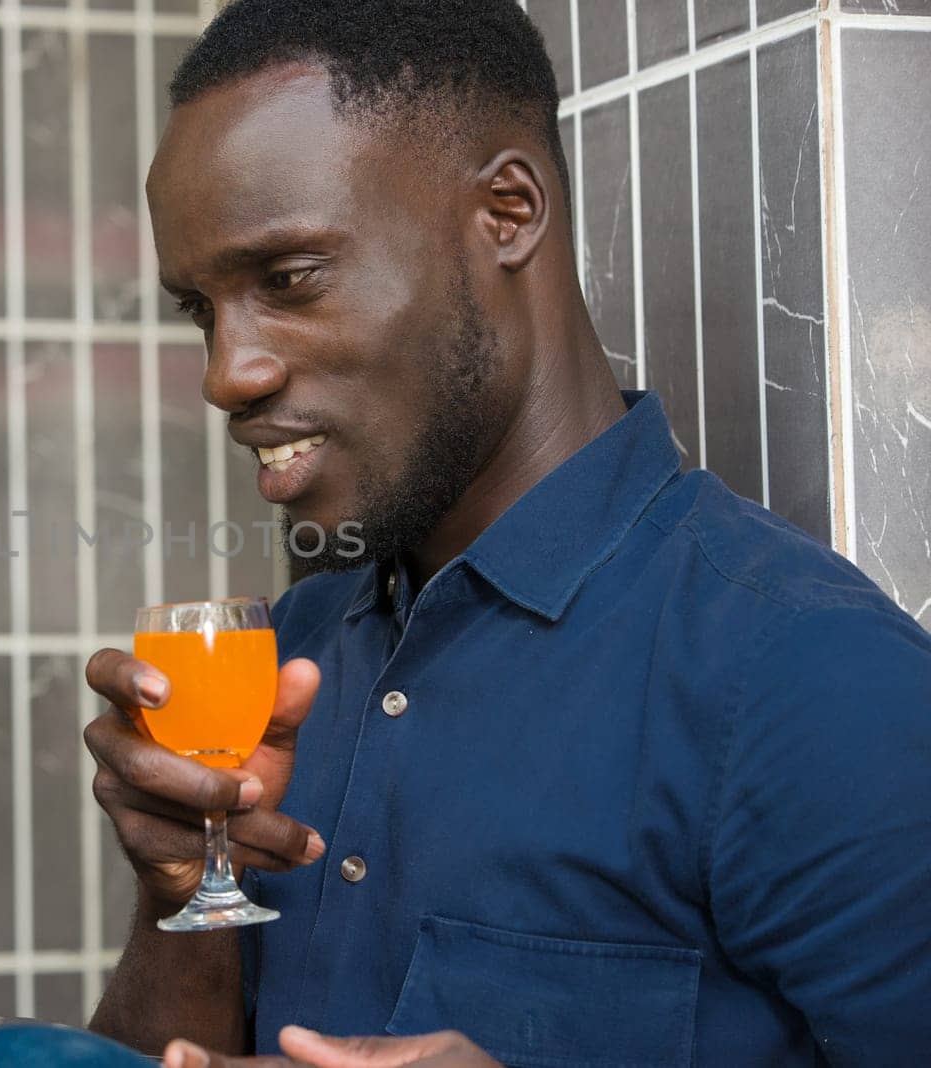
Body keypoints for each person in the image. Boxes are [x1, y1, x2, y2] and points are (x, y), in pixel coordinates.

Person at [80, 1, 931, 1066]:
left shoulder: (808, 681)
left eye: (287, 281)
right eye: (200, 312)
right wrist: (180, 892)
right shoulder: (283, 659)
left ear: (507, 210)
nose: (226, 374)